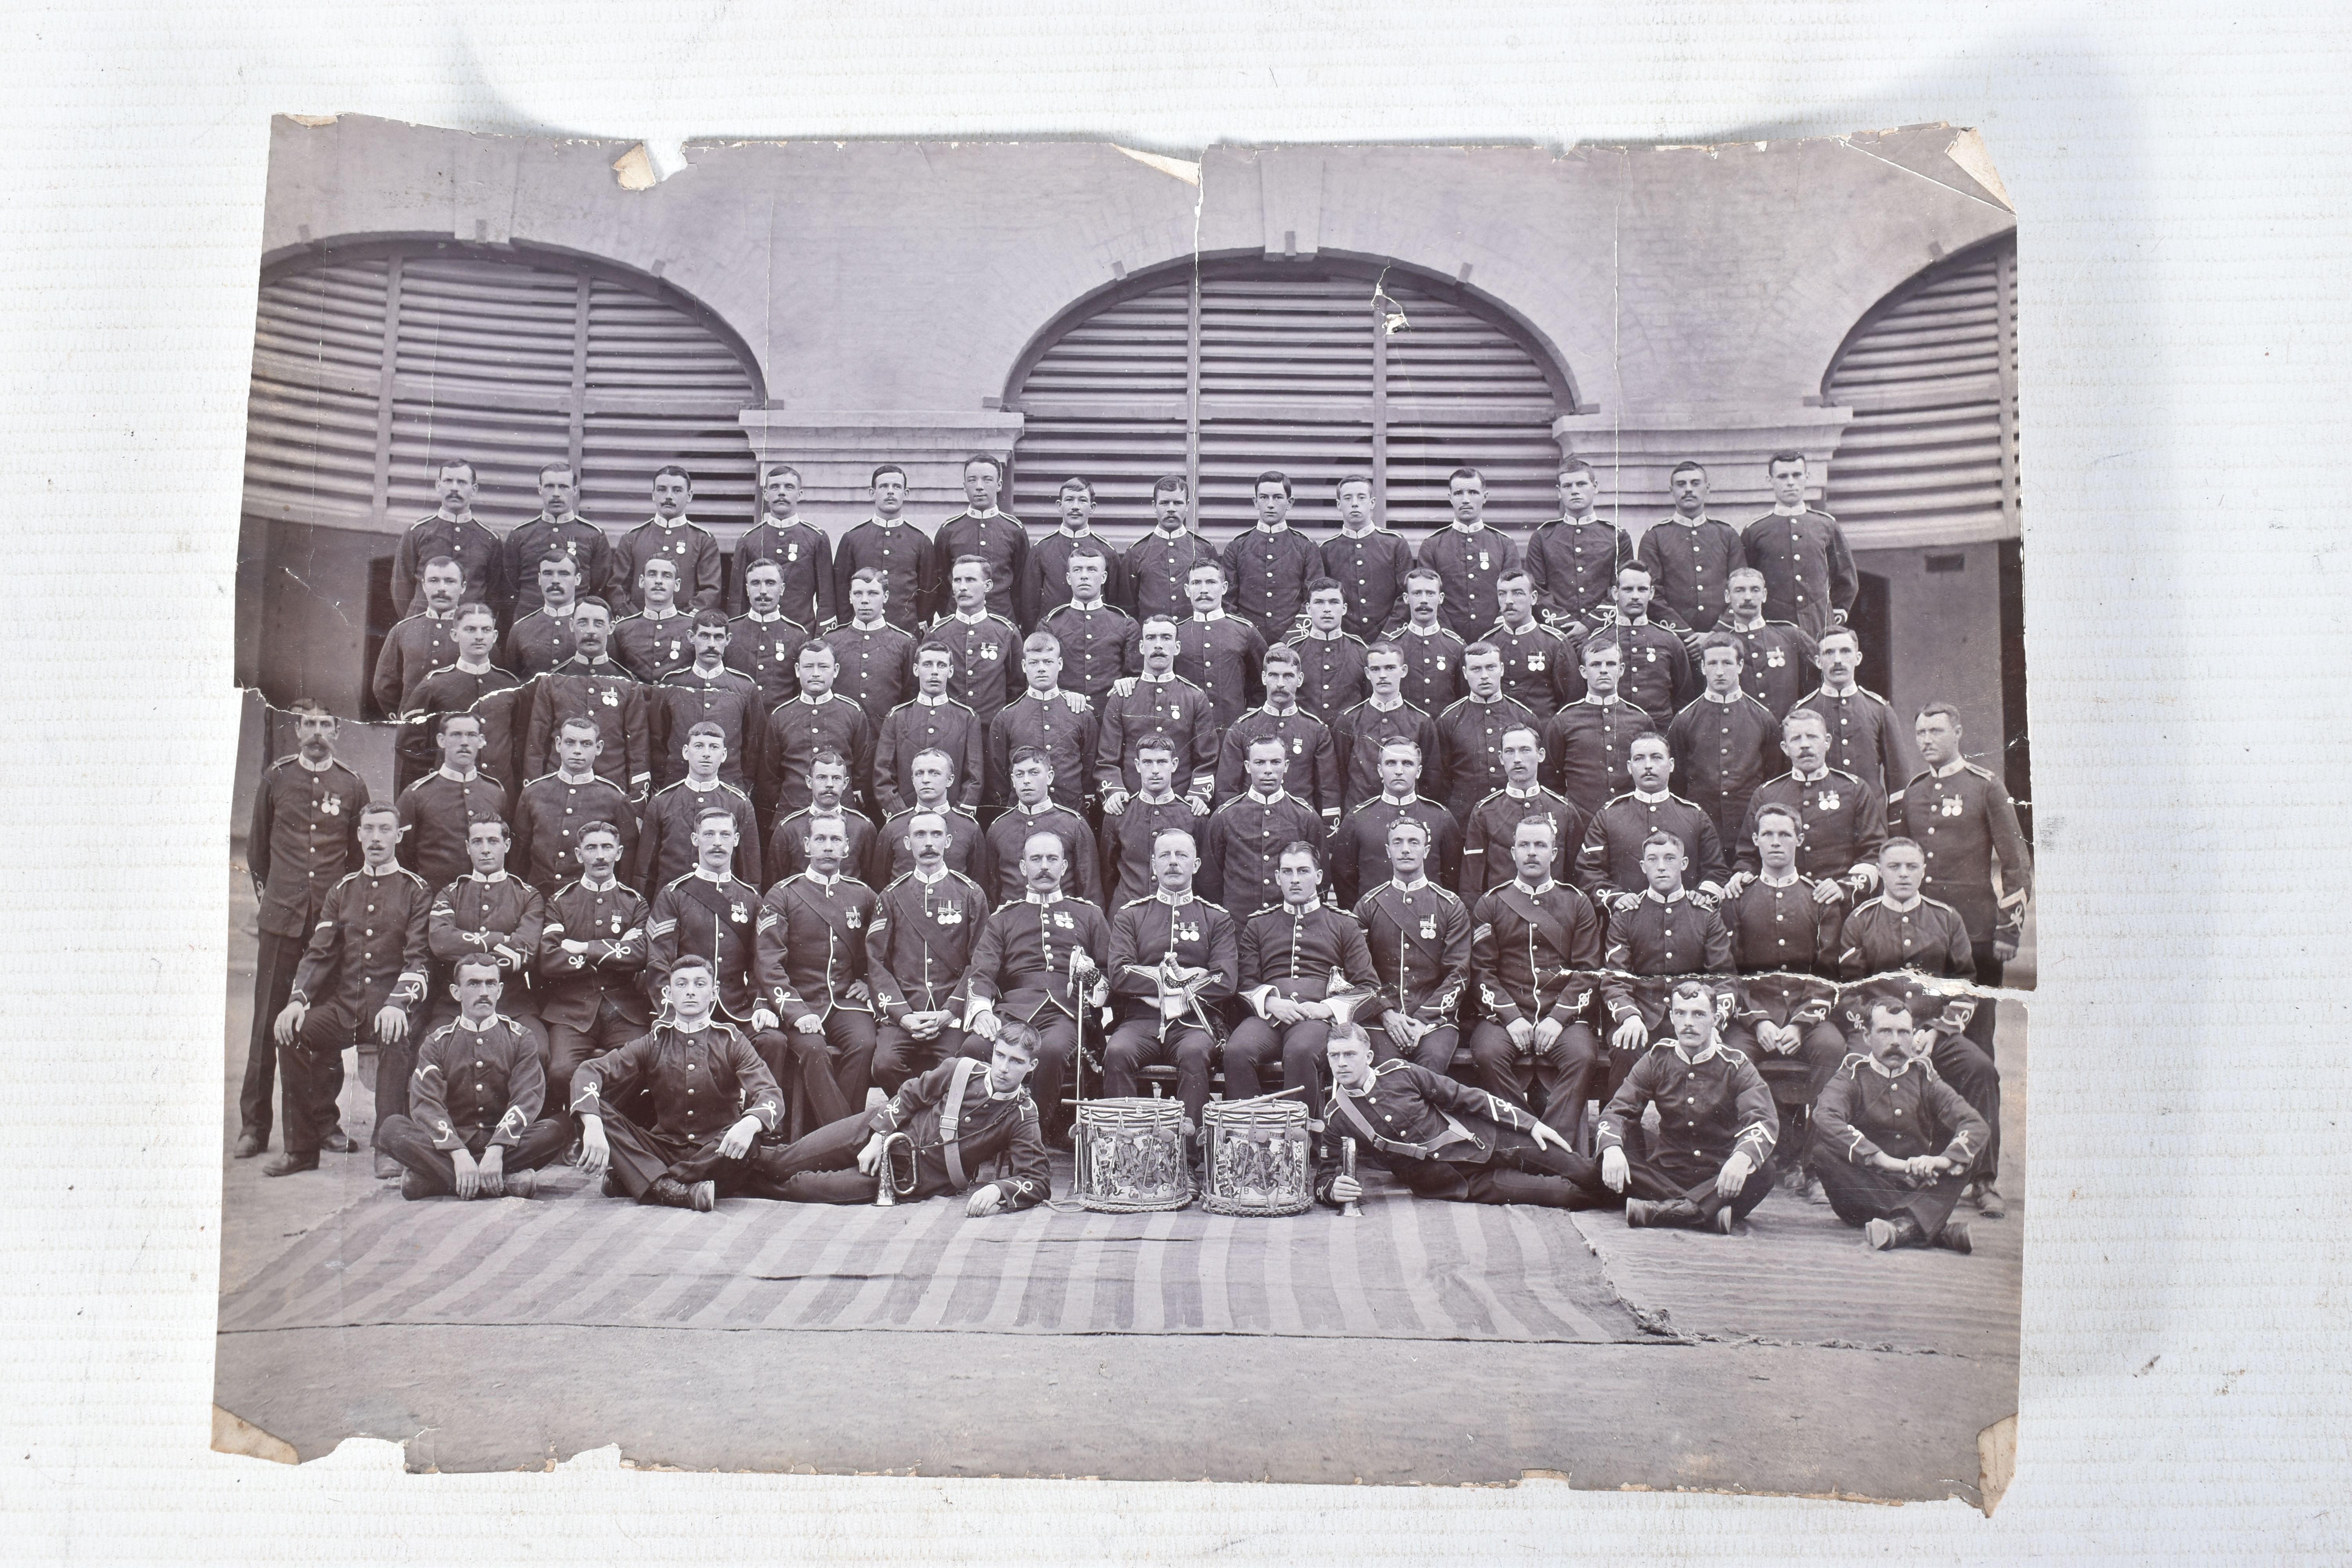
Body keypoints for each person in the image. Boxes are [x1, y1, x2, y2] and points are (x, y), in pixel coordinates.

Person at [1834, 837, 2005, 1218]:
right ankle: (1855, 1171)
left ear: (1924, 871)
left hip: (1932, 1034)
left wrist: (1938, 1030)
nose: (1904, 874)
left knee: (1981, 1070)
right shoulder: (1860, 920)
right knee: (1850, 1070)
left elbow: (1966, 987)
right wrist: (1881, 1032)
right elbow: (1848, 991)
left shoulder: (1946, 918)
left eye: (1912, 866)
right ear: (1880, 872)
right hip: (1877, 1036)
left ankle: (1984, 1180)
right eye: (1894, 867)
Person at [265, 802, 429, 1178]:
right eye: (368, 829)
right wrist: (296, 1001)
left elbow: (418, 958)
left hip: (390, 1008)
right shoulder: (342, 890)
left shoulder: (415, 890)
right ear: (358, 835)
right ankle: (302, 1148)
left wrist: (398, 1004)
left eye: (385, 830)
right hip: (346, 1010)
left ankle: (387, 1148)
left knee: (396, 1036)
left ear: (398, 836)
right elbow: (319, 953)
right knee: (291, 1032)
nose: (375, 838)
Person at [237, 701, 370, 1160]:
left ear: (338, 731)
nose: (317, 732)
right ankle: (254, 1126)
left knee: (322, 1028)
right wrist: (276, 903)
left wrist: (339, 913)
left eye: (325, 725)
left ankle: (324, 1122)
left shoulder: (352, 785)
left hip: (328, 929)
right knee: (266, 1025)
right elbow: (257, 853)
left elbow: (357, 859)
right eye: (308, 724)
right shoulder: (277, 778)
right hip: (282, 920)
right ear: (296, 731)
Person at [749, 1018, 1051, 1212]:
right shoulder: (961, 1069)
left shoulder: (1023, 1115)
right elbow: (909, 1095)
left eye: (1016, 1061)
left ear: (1032, 1067)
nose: (1003, 1068)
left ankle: (725, 1184)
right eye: (1000, 1055)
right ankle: (707, 1167)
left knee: (803, 1188)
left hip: (907, 1178)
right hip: (874, 1131)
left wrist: (999, 1189)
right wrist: (878, 1136)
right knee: (782, 1161)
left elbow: (1037, 1179)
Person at [572, 957, 785, 1210]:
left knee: (750, 1143)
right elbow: (589, 1071)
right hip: (663, 1149)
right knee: (595, 1112)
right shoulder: (654, 1041)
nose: (691, 991)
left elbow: (770, 1094)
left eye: (700, 984)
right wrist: (594, 1124)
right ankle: (673, 1190)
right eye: (682, 984)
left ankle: (645, 1180)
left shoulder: (732, 1041)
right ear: (668, 994)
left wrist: (749, 1124)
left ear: (714, 993)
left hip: (716, 1151)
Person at [1314, 1024, 1602, 1210]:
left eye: (1349, 1054)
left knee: (1584, 1170)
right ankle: (1624, 1201)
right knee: (1563, 1195)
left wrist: (1531, 1124)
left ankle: (1644, 1194)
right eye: (1334, 1056)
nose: (1341, 1063)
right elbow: (1324, 1178)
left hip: (1489, 1141)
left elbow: (1466, 1097)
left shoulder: (1400, 1073)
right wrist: (1332, 1191)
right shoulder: (1337, 1118)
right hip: (1457, 1183)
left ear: (1368, 1056)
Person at [1718, 802, 1848, 1181]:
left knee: (1832, 1048)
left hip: (1805, 1018)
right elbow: (1728, 970)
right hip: (1752, 1018)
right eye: (1769, 835)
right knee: (1730, 1055)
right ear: (1756, 841)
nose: (1776, 842)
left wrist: (1801, 1025)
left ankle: (1816, 1165)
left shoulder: (1819, 899)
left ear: (1799, 840)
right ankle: (1738, 1157)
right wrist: (1757, 1021)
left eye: (1785, 834)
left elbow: (1828, 971)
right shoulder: (1737, 898)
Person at [375, 955, 570, 1200]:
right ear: (456, 992)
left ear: (500, 990)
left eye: (491, 984)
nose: (484, 992)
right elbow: (427, 1103)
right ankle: (504, 1183)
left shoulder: (521, 1038)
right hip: (450, 1143)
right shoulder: (437, 1042)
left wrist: (497, 1149)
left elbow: (527, 1098)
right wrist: (458, 1153)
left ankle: (437, 1181)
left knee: (553, 1131)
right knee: (391, 1129)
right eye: (474, 984)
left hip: (503, 1145)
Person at [1597, 980, 1779, 1231]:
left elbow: (1763, 1120)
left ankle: (1661, 1211)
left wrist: (1741, 1157)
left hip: (1720, 1176)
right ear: (1671, 1017)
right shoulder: (1656, 1060)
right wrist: (1613, 1149)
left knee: (1764, 1170)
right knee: (1609, 1157)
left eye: (1699, 1014)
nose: (1688, 1023)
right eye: (1681, 1014)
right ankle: (1705, 1213)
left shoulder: (1736, 1065)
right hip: (1668, 1173)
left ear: (1715, 1019)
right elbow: (1618, 1110)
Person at [965, 832, 1113, 1134]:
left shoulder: (1089, 915)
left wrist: (1092, 977)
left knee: (1053, 1051)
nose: (1044, 866)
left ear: (1065, 866)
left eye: (1052, 859)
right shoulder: (1004, 918)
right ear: (1023, 867)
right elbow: (981, 972)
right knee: (973, 1047)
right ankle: (981, 1133)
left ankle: (1034, 1135)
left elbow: (1110, 974)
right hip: (1013, 1010)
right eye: (1036, 859)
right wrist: (981, 1011)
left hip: (1068, 1011)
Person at [1811, 996, 1985, 1252]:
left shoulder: (1924, 1076)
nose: (1896, 1041)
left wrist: (1941, 1162)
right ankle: (1934, 1227)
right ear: (1867, 1037)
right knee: (1823, 1151)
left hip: (1917, 1183)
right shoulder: (1852, 1073)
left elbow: (1974, 1122)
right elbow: (1825, 1115)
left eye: (1904, 1032)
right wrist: (1881, 1159)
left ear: (1913, 1035)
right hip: (1865, 1188)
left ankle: (1903, 1229)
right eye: (1885, 1032)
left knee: (1969, 1150)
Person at [1893, 701, 2034, 1019]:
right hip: (1922, 931)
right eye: (1920, 733)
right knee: (1921, 1027)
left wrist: (2009, 929)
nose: (1926, 740)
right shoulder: (1913, 792)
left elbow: (2017, 863)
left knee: (1977, 1036)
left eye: (1936, 731)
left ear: (1957, 733)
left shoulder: (1985, 786)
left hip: (1976, 931)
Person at [1102, 830, 1238, 1149]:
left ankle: (1186, 1160)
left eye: (1181, 856)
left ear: (1196, 864)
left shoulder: (1215, 918)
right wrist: (1185, 979)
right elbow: (1120, 974)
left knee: (1194, 1054)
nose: (1173, 863)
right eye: (1165, 856)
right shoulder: (1131, 916)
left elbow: (1226, 980)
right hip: (1140, 1021)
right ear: (1153, 865)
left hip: (1194, 1022)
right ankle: (1128, 1155)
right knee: (1117, 1052)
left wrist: (1152, 977)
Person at [1466, 814, 1605, 1121]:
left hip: (1564, 1018)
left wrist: (1558, 1019)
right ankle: (1520, 1134)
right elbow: (1482, 972)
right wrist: (1511, 1018)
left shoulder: (1577, 903)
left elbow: (1588, 971)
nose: (1532, 852)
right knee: (1488, 1054)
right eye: (1524, 845)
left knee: (1582, 1056)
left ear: (1554, 854)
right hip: (1505, 1017)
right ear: (1512, 852)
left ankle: (1557, 1144)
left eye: (1540, 845)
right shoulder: (1491, 904)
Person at [1225, 843, 1379, 1112]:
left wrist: (1325, 1009)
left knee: (1301, 1052)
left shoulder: (1343, 925)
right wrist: (1272, 1003)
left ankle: (1301, 1146)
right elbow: (1245, 983)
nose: (1295, 879)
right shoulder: (1259, 925)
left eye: (1303, 871)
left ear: (1319, 877)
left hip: (1315, 1019)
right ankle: (1248, 1142)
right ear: (1278, 879)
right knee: (1237, 1051)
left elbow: (1369, 987)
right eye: (1288, 872)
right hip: (1268, 1017)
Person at [753, 812, 879, 1138]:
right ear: (807, 845)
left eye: (836, 840)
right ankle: (847, 1140)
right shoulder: (783, 894)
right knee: (813, 1050)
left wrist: (868, 981)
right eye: (821, 840)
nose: (828, 847)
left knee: (865, 1044)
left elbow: (882, 951)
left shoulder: (863, 896)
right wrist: (796, 1013)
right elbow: (769, 963)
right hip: (800, 1001)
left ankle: (830, 1139)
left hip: (845, 1003)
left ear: (847, 848)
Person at [1596, 831, 1737, 1105]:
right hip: (1642, 1018)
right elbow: (1615, 978)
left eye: (1670, 858)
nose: (1661, 866)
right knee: (1625, 1047)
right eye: (1653, 859)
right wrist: (1629, 1017)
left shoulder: (1705, 914)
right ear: (1643, 866)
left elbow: (1724, 977)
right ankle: (1620, 1136)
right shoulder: (1627, 915)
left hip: (1692, 1019)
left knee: (1714, 1055)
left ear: (1684, 864)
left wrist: (1713, 1021)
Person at [865, 811, 991, 1092]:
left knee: (960, 1067)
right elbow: (877, 962)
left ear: (948, 842)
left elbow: (981, 961)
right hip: (905, 1012)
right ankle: (919, 1120)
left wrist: (951, 1011)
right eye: (920, 836)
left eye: (936, 835)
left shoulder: (970, 894)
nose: (929, 843)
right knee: (884, 1065)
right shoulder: (891, 896)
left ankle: (924, 1123)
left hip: (952, 1013)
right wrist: (903, 1015)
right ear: (908, 844)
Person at [536, 820, 651, 1116]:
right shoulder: (561, 902)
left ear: (619, 852)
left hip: (623, 1009)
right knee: (561, 1070)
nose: (600, 856)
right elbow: (549, 960)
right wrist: (615, 950)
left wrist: (583, 947)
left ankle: (609, 1130)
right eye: (591, 848)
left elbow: (639, 955)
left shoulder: (635, 903)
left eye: (607, 848)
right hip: (571, 1009)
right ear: (578, 855)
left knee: (643, 1064)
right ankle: (578, 1130)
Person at [645, 807, 778, 1042]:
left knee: (772, 1041)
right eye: (709, 835)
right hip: (686, 1008)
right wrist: (671, 1013)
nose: (718, 843)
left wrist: (760, 1005)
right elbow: (659, 962)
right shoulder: (674, 895)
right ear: (695, 840)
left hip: (737, 1009)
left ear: (736, 840)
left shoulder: (751, 898)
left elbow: (761, 960)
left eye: (725, 835)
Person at [1352, 817, 1472, 1074]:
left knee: (1430, 1072)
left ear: (1426, 850)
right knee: (1386, 1074)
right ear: (1388, 850)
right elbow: (1358, 971)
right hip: (1383, 1020)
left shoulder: (1450, 906)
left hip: (1434, 1022)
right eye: (1398, 843)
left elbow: (1459, 973)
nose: (1406, 849)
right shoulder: (1369, 905)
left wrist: (1421, 1021)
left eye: (1414, 842)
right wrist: (1386, 1014)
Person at [1731, 706, 1888, 895]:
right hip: (1782, 902)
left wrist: (1845, 888)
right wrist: (1743, 875)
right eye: (1796, 739)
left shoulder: (1855, 789)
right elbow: (1747, 855)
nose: (1805, 745)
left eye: (1812, 737)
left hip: (1839, 903)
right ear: (1785, 748)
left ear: (1827, 742)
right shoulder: (1766, 794)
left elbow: (1874, 850)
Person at [1572, 732, 1730, 904]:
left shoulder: (1695, 816)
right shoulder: (1609, 816)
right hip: (1626, 923)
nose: (1648, 766)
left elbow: (1717, 871)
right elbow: (1588, 870)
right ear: (1629, 767)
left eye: (1656, 758)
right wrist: (1616, 899)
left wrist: (1702, 895)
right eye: (1640, 759)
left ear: (1671, 765)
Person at [424, 817, 544, 1045]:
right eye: (478, 842)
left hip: (512, 1004)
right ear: (468, 847)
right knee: (429, 1049)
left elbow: (524, 953)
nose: (486, 850)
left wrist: (464, 945)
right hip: (455, 1006)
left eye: (493, 841)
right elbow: (441, 943)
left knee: (539, 1049)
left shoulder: (528, 896)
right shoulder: (450, 894)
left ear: (506, 846)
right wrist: (502, 939)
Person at [525, 599, 650, 802]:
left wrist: (636, 802)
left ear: (611, 628)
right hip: (557, 793)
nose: (590, 631)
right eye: (583, 623)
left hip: (611, 793)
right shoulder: (552, 681)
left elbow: (638, 749)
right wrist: (535, 795)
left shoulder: (628, 684)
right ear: (572, 625)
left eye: (598, 624)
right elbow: (536, 746)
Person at [1666, 632, 1781, 850]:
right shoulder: (1684, 720)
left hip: (1749, 830)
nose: (1720, 672)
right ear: (1702, 667)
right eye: (1712, 663)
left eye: (1727, 663)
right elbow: (1677, 782)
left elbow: (1773, 778)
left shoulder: (1764, 718)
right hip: (1701, 831)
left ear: (1740, 666)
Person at [395, 602, 521, 797]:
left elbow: (520, 741)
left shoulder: (510, 685)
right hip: (448, 792)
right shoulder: (435, 684)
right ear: (455, 635)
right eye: (470, 629)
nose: (479, 636)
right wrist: (438, 771)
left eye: (486, 630)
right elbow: (408, 742)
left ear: (494, 637)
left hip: (500, 791)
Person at [1095, 616, 1217, 812]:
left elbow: (1207, 759)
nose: (1158, 645)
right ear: (1142, 647)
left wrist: (1198, 795)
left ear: (1177, 647)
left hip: (1182, 805)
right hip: (1131, 806)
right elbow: (1106, 760)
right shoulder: (1123, 697)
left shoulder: (1194, 697)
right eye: (1151, 638)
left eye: (1166, 638)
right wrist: (1115, 792)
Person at [1200, 735, 1327, 922]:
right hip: (1238, 926)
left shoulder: (1306, 817)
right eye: (1260, 763)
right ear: (1247, 766)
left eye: (1275, 762)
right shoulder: (1224, 817)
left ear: (1286, 766)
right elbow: (1209, 881)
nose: (1268, 770)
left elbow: (1320, 878)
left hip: (1290, 926)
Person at [1214, 645, 1341, 822]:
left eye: (1288, 676)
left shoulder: (1316, 730)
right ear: (1264, 678)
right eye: (1274, 675)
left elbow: (1328, 792)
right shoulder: (1242, 728)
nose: (1280, 684)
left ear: (1300, 679)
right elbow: (1227, 791)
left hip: (1299, 826)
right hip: (1249, 825)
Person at [1327, 739, 1461, 907]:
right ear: (1380, 770)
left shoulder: (1441, 818)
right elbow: (1344, 879)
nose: (1399, 771)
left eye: (1407, 764)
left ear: (1418, 771)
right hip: (1373, 920)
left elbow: (1452, 878)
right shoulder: (1358, 818)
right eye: (1391, 763)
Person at [513, 717, 640, 893]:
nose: (577, 751)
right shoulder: (534, 793)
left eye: (586, 744)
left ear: (599, 748)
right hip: (538, 897)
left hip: (589, 900)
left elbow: (626, 862)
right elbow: (519, 856)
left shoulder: (615, 799)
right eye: (570, 743)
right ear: (558, 744)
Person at [1742, 452, 1857, 641]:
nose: (1790, 482)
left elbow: (1845, 574)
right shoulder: (1755, 531)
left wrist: (1836, 610)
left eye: (1797, 475)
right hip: (1774, 628)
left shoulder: (1826, 525)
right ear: (1770, 481)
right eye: (1782, 476)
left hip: (1819, 625)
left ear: (1807, 478)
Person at [755, 642, 874, 824]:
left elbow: (863, 771)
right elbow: (769, 776)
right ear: (797, 670)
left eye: (823, 667)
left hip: (842, 815)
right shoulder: (781, 716)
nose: (816, 673)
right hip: (792, 813)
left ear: (835, 670)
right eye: (809, 666)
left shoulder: (853, 713)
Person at [1461, 725, 1586, 896]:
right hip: (1502, 912)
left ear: (1541, 755)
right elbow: (1471, 882)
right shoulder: (1485, 812)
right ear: (1501, 758)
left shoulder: (1563, 809)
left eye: (1525, 750)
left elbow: (1578, 872)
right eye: (1510, 752)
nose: (1517, 759)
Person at [1793, 626, 1918, 797]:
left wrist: (1895, 822)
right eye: (1829, 653)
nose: (1838, 660)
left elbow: (1898, 777)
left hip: (1871, 816)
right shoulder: (1802, 711)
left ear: (1858, 658)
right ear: (1818, 661)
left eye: (1845, 651)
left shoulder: (1880, 710)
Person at [650, 611, 766, 795]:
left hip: (729, 788)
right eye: (704, 636)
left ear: (728, 640)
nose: (712, 645)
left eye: (718, 637)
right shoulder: (671, 685)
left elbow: (753, 745)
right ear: (691, 637)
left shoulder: (745, 689)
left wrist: (743, 785)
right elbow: (657, 740)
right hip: (677, 786)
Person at [396, 712, 510, 892]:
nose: (464, 742)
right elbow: (402, 855)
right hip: (433, 899)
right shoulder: (417, 794)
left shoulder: (496, 792)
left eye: (471, 735)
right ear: (441, 740)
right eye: (456, 735)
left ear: (481, 741)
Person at [986, 632, 1098, 814]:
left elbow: (1090, 763)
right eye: (1034, 662)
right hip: (1022, 812)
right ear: (1024, 666)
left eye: (1048, 662)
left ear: (1060, 664)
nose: (1041, 668)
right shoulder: (1007, 717)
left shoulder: (1080, 713)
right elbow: (997, 774)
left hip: (1070, 810)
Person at [641, 722, 762, 890]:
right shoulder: (662, 802)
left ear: (724, 754)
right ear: (685, 752)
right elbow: (644, 872)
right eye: (699, 746)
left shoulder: (739, 805)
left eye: (714, 747)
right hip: (669, 907)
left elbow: (751, 876)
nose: (706, 754)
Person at [1546, 635, 1652, 822]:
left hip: (1630, 819)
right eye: (1596, 665)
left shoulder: (1640, 720)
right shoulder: (1564, 721)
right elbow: (1552, 777)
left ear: (1621, 670)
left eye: (1610, 664)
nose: (1604, 671)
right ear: (1583, 671)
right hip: (1581, 820)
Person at [1433, 642, 1539, 826]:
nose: (1484, 676)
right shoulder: (1448, 720)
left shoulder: (1524, 717)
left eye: (1491, 667)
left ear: (1502, 669)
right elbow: (1440, 779)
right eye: (1476, 669)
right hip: (1464, 820)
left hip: (1516, 820)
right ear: (1465, 673)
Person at [873, 644, 984, 819]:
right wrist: (901, 816)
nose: (935, 672)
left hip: (952, 819)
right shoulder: (897, 718)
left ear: (951, 671)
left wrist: (958, 817)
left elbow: (975, 779)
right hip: (906, 818)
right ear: (916, 670)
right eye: (928, 665)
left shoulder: (967, 718)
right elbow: (883, 775)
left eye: (941, 665)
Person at [983, 747, 1104, 907]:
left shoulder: (1074, 824)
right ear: (1013, 780)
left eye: (1034, 773)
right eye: (1020, 774)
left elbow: (1090, 890)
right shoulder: (998, 828)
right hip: (1012, 925)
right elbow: (993, 890)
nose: (1026, 780)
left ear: (1050, 777)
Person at [390, 458, 508, 622]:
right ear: (438, 485)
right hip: (423, 623)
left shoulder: (489, 539)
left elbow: (494, 594)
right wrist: (416, 623)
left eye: (462, 482)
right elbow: (401, 587)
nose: (454, 488)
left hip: (470, 626)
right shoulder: (417, 532)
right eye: (448, 481)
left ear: (474, 489)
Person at [1099, 732, 1206, 908]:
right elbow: (1107, 872)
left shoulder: (1192, 815)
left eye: (1162, 762)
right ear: (1138, 765)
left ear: (1174, 765)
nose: (1155, 770)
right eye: (1148, 762)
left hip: (1176, 912)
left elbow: (1203, 877)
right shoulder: (1120, 814)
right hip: (1126, 911)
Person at [1636, 461, 1744, 635]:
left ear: (1707, 488)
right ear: (1671, 490)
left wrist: (1718, 632)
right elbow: (1651, 593)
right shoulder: (1655, 537)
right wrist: (1685, 633)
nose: (1688, 489)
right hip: (1674, 638)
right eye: (1681, 484)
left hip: (1723, 638)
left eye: (1695, 483)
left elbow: (1740, 588)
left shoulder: (1727, 535)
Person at [1331, 642, 1440, 813]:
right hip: (1359, 814)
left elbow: (1431, 779)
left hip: (1409, 816)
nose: (1383, 675)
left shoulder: (1421, 722)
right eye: (1375, 669)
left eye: (1390, 668)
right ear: (1367, 673)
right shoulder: (1349, 720)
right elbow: (1338, 775)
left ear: (1403, 671)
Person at [1524, 458, 1633, 627]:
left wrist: (1589, 625)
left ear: (1595, 487)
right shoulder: (1542, 537)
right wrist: (1564, 624)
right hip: (1557, 631)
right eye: (1568, 486)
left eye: (1581, 484)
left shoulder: (1617, 537)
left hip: (1604, 631)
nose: (1575, 491)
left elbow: (1622, 588)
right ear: (1559, 492)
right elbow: (1536, 590)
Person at [1417, 467, 1522, 639]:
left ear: (1485, 497)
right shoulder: (1433, 545)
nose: (1466, 500)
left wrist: (1495, 635)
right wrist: (1449, 637)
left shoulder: (1504, 544)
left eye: (1473, 493)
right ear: (1450, 498)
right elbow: (1428, 596)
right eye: (1459, 493)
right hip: (1445, 640)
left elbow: (1513, 593)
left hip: (1496, 639)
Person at [1583, 561, 1692, 724]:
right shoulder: (1595, 642)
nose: (1635, 596)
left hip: (1658, 732)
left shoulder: (1670, 641)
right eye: (1628, 589)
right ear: (1615, 593)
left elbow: (1684, 696)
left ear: (1652, 593)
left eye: (1642, 589)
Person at [503, 459, 610, 624]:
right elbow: (511, 586)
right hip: (528, 622)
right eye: (549, 486)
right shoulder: (521, 535)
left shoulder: (593, 535)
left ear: (575, 491)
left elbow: (599, 588)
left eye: (563, 487)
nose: (556, 494)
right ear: (540, 490)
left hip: (575, 624)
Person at [833, 465, 937, 632]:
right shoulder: (853, 539)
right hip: (861, 629)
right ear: (872, 493)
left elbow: (928, 591)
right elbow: (841, 589)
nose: (891, 492)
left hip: (906, 629)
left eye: (897, 487)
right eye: (884, 487)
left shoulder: (920, 541)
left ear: (906, 494)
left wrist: (919, 624)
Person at [731, 461, 836, 627]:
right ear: (765, 494)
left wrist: (821, 638)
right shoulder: (748, 540)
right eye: (774, 487)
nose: (781, 493)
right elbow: (737, 599)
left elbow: (827, 597)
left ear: (800, 494)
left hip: (803, 632)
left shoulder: (816, 538)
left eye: (789, 487)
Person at [1223, 470, 1321, 646]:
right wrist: (1251, 640)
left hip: (1295, 644)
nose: (1270, 504)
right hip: (1247, 646)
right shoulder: (1237, 548)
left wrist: (1288, 641)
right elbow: (1227, 603)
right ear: (1255, 502)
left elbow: (1315, 601)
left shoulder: (1306, 547)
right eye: (1263, 498)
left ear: (1289, 503)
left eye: (1277, 498)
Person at [930, 454, 1029, 626]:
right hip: (958, 620)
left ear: (999, 485)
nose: (979, 487)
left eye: (987, 480)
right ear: (964, 486)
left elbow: (1021, 582)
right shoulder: (949, 530)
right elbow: (940, 584)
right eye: (972, 480)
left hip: (1002, 621)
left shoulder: (1014, 530)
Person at [610, 465, 722, 614]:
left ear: (689, 496)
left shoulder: (703, 540)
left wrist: (684, 619)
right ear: (653, 495)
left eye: (677, 490)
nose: (669, 496)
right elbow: (617, 589)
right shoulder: (633, 538)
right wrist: (635, 620)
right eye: (662, 490)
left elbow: (711, 590)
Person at [877, 746, 993, 888]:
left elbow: (979, 888)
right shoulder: (893, 828)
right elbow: (880, 887)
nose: (926, 780)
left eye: (934, 773)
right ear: (913, 780)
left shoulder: (970, 829)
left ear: (950, 780)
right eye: (920, 774)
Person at [1318, 472, 1412, 642]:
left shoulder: (1395, 544)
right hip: (1344, 643)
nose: (1355, 504)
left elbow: (1406, 595)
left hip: (1390, 641)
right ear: (1339, 505)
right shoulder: (1327, 550)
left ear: (1372, 503)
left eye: (1361, 498)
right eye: (1348, 499)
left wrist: (1386, 637)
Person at [1024, 476, 1131, 626]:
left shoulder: (1107, 552)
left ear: (1092, 507)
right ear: (1059, 506)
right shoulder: (1041, 550)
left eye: (1082, 500)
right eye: (1069, 500)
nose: (1076, 507)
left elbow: (1113, 602)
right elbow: (1030, 605)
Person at [1036, 543, 1137, 701]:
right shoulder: (1050, 625)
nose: (1084, 576)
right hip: (1064, 714)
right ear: (1069, 579)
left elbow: (1135, 676)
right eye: (1078, 570)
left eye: (1092, 570)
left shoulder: (1125, 624)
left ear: (1104, 577)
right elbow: (1041, 675)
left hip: (1109, 714)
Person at [928, 555, 1021, 724]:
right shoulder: (937, 634)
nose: (962, 587)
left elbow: (1017, 687)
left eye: (970, 580)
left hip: (992, 730)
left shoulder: (1006, 633)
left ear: (988, 586)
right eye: (957, 581)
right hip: (948, 726)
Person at [1716, 566, 1818, 719]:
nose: (1748, 597)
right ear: (1728, 596)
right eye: (1740, 590)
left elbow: (1825, 673)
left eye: (1755, 590)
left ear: (1764, 595)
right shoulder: (1721, 645)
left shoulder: (1791, 636)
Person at [1173, 559, 1265, 727]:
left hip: (1233, 730)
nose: (1204, 590)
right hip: (1187, 730)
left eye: (1211, 582)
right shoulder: (1176, 633)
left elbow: (1263, 682)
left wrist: (1249, 719)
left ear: (1224, 588)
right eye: (1196, 583)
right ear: (1187, 590)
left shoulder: (1245, 631)